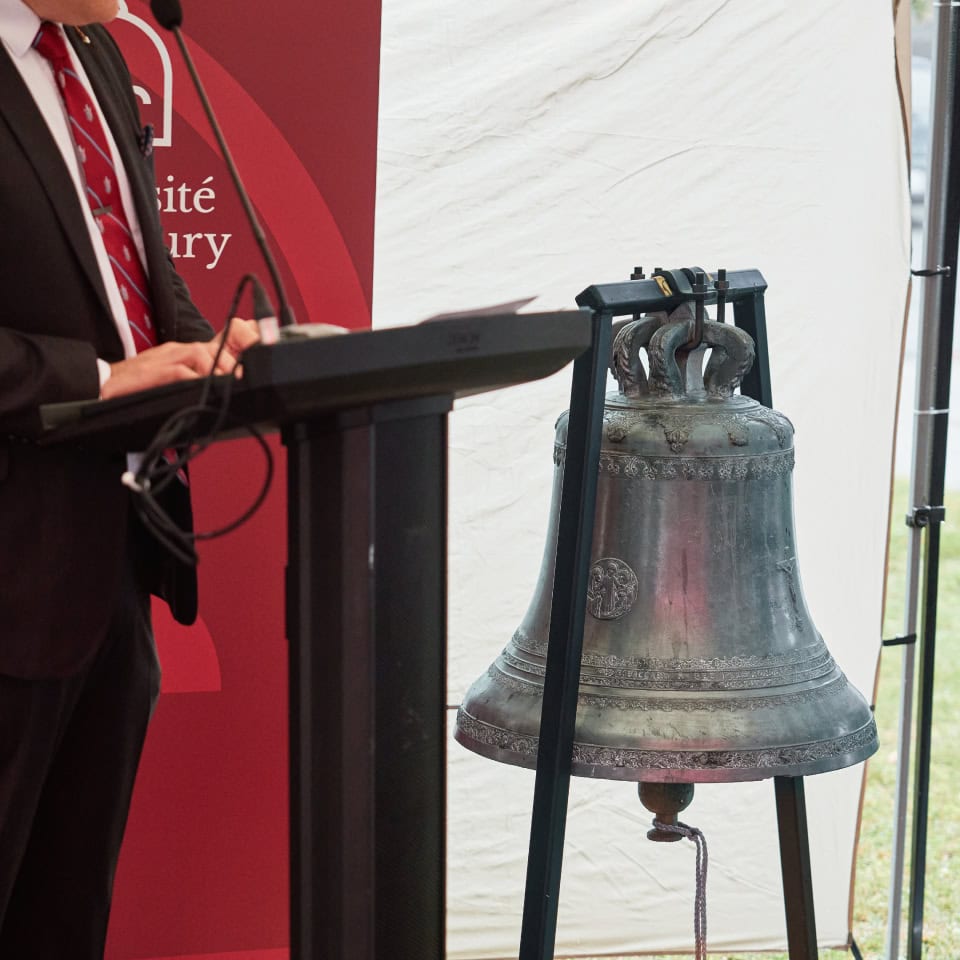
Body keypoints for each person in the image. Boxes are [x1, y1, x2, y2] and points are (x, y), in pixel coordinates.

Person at [0, 0, 259, 954]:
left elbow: (133, 273)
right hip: (11, 556)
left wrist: (209, 351)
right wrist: (102, 380)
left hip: (113, 560)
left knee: (65, 920)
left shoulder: (97, 54)